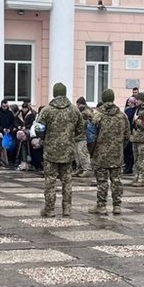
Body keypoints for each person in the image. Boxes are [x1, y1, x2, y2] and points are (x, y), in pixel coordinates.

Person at [35, 83, 84, 217]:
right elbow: (80, 130)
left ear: (54, 93)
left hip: (51, 151)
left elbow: (38, 129)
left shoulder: (46, 110)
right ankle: (67, 208)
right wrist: (71, 139)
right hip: (68, 152)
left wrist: (44, 138)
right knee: (67, 181)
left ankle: (49, 209)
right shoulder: (75, 110)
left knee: (50, 181)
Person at [90, 88, 130, 215]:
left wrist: (92, 151)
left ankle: (101, 206)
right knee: (116, 180)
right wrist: (119, 147)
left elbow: (91, 136)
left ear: (103, 99)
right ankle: (117, 206)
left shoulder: (98, 115)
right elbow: (127, 135)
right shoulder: (122, 116)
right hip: (117, 153)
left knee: (102, 181)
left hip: (101, 154)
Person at [0, 99, 17, 168]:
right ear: (1, 105)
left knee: (11, 146)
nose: (5, 108)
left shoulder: (10, 113)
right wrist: (2, 129)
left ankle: (10, 161)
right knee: (1, 147)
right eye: (4, 106)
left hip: (9, 132)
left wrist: (10, 129)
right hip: (0, 133)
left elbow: (13, 123)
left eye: (6, 106)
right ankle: (2, 161)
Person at [74, 97, 93, 176]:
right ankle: (80, 168)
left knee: (83, 153)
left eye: (78, 104)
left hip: (83, 136)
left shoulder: (87, 112)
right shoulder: (80, 111)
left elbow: (90, 119)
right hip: (77, 136)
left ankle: (87, 168)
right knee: (77, 154)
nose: (77, 106)